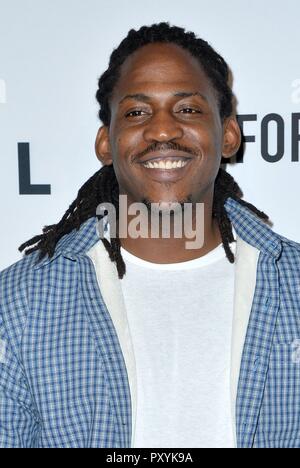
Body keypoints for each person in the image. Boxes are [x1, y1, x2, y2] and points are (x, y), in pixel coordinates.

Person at [1, 22, 300, 449]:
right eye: (138, 112)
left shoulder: (295, 285)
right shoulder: (20, 303)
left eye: (188, 109)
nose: (162, 131)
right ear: (106, 142)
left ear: (229, 134)